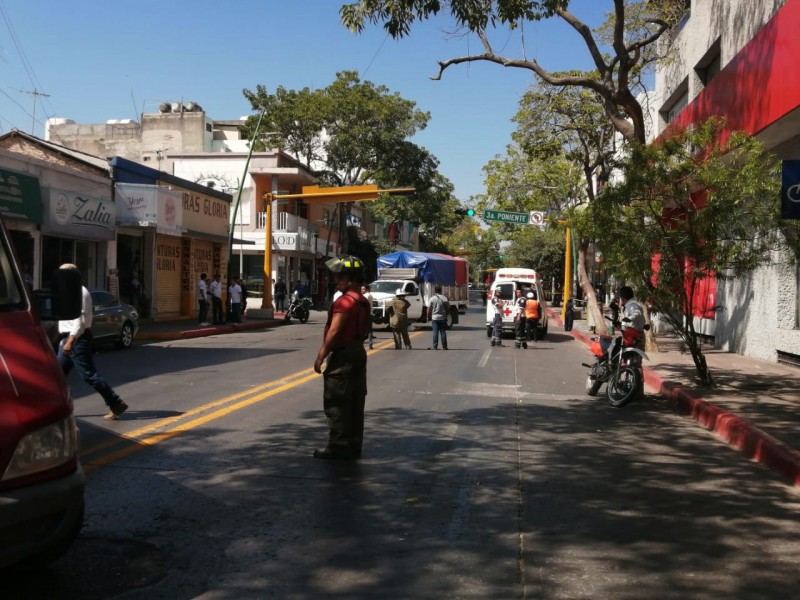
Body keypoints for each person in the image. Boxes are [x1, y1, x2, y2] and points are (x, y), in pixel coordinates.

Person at [312, 255, 371, 460]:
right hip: (358, 352)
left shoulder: (345, 302)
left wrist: (321, 356)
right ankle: (354, 444)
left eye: (340, 278)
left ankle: (337, 446)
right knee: (355, 401)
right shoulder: (363, 301)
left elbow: (335, 331)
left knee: (336, 401)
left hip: (343, 354)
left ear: (351, 280)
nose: (336, 281)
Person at [56, 263, 128, 420]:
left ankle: (115, 403)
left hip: (76, 339)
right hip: (67, 338)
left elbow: (80, 321)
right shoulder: (68, 292)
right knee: (57, 375)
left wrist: (70, 341)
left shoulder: (80, 292)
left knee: (89, 375)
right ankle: (57, 409)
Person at [427, 285, 449, 350]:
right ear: (441, 290)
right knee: (443, 332)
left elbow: (428, 309)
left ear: (435, 291)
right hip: (442, 317)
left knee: (435, 332)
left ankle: (434, 346)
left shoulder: (432, 299)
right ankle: (444, 347)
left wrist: (427, 316)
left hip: (434, 318)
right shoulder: (444, 298)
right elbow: (448, 307)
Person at [361, 284, 375, 349]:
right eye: (361, 289)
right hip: (367, 314)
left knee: (367, 330)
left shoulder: (367, 295)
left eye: (363, 289)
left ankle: (369, 343)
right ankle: (369, 344)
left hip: (367, 314)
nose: (361, 290)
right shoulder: (367, 295)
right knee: (368, 330)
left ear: (367, 289)